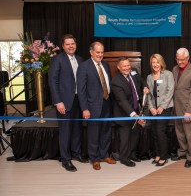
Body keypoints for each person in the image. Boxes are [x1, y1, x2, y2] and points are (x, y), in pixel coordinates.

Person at [48, 34, 87, 172]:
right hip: (64, 102)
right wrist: (58, 101)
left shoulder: (81, 60)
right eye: (68, 44)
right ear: (63, 46)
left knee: (77, 129)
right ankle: (66, 159)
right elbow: (53, 82)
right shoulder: (57, 60)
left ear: (75, 45)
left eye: (73, 44)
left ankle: (76, 153)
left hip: (78, 100)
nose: (71, 46)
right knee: (65, 131)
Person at [77, 41, 116, 170]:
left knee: (106, 130)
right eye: (97, 52)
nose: (100, 55)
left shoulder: (104, 64)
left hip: (106, 103)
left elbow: (108, 83)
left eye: (102, 52)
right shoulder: (84, 67)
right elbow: (81, 90)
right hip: (92, 106)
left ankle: (104, 155)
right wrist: (85, 108)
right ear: (91, 52)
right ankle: (94, 158)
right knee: (94, 133)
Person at [111, 57, 149, 167]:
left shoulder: (134, 71)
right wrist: (134, 115)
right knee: (125, 137)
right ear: (118, 67)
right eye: (124, 66)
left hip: (136, 108)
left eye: (128, 65)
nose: (127, 68)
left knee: (135, 134)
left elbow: (142, 81)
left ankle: (132, 154)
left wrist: (145, 86)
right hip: (124, 113)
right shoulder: (116, 82)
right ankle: (124, 158)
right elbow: (122, 102)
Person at [171, 48, 191, 168]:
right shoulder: (174, 69)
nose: (180, 62)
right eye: (178, 59)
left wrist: (189, 111)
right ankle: (182, 151)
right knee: (179, 131)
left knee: (190, 133)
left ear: (188, 58)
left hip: (188, 108)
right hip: (176, 106)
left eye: (182, 59)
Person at [147, 54, 174, 167]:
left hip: (165, 107)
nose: (155, 64)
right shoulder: (149, 77)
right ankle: (157, 154)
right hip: (153, 109)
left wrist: (162, 106)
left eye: (157, 62)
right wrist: (151, 108)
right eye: (153, 62)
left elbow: (170, 91)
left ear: (161, 63)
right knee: (154, 131)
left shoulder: (168, 74)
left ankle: (163, 156)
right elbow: (148, 95)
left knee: (160, 131)